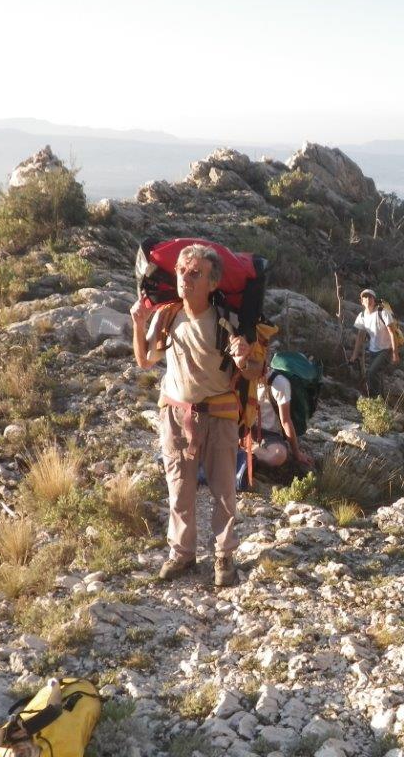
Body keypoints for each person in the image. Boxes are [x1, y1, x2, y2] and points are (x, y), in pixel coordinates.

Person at [130, 244, 262, 586]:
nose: (185, 279)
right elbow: (145, 361)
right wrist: (137, 324)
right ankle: (182, 554)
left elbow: (254, 373)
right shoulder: (166, 316)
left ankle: (223, 557)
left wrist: (244, 356)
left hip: (220, 415)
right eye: (181, 272)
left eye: (195, 273)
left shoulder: (230, 322)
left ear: (213, 283)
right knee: (179, 488)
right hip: (175, 414)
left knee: (223, 490)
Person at [253, 352, 313, 469]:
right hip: (246, 428)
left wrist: (297, 453)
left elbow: (286, 421)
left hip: (270, 434)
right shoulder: (241, 378)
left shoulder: (279, 383)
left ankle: (247, 453)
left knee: (278, 456)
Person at [349, 288, 399, 397]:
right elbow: (360, 337)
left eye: (370, 297)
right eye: (365, 297)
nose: (367, 299)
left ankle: (374, 401)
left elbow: (392, 333)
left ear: (374, 299)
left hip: (386, 350)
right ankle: (380, 401)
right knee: (376, 376)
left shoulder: (383, 312)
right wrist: (354, 355)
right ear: (361, 301)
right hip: (373, 351)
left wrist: (395, 353)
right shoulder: (362, 316)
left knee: (372, 372)